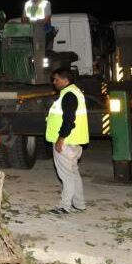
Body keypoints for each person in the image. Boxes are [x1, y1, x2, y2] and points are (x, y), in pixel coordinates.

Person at [45, 67, 89, 214]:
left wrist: (61, 138)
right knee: (73, 174)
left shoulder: (69, 95)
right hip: (74, 142)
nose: (54, 82)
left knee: (67, 176)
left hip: (66, 142)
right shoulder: (74, 93)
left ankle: (65, 206)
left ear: (65, 80)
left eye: (56, 79)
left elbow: (69, 120)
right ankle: (80, 204)